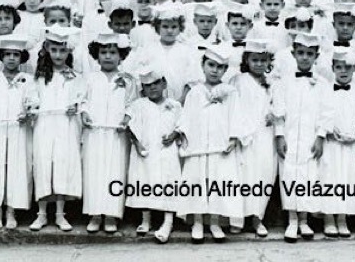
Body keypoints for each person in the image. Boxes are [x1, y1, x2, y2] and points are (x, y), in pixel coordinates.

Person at [175, 45, 243, 243]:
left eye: (220, 67)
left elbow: (236, 116)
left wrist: (233, 137)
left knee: (218, 182)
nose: (215, 70)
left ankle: (214, 222)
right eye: (211, 65)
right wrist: (185, 135)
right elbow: (186, 117)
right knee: (197, 181)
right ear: (203, 66)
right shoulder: (195, 92)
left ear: (225, 70)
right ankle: (197, 221)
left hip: (219, 146)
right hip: (198, 146)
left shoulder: (230, 92)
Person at [272, 32, 332, 242]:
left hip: (310, 138)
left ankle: (304, 220)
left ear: (316, 55)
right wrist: (279, 135)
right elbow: (278, 110)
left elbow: (327, 112)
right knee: (289, 175)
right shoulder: (284, 82)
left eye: (309, 54)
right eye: (301, 53)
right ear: (293, 54)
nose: (305, 57)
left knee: (308, 176)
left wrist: (321, 136)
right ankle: (292, 221)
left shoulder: (322, 83)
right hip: (289, 136)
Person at [80, 32, 137, 233]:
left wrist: (127, 118)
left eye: (113, 52)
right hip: (95, 133)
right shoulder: (91, 78)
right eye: (103, 52)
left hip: (117, 134)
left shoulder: (128, 80)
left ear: (121, 55)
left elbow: (132, 104)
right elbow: (83, 101)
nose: (108, 56)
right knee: (94, 171)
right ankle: (95, 213)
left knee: (115, 171)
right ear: (97, 55)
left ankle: (112, 214)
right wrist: (84, 113)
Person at [29, 25, 84, 232]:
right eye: (54, 50)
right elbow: (32, 97)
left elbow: (81, 98)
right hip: (44, 126)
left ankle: (60, 214)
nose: (58, 55)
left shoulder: (75, 77)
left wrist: (75, 107)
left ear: (69, 52)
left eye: (62, 50)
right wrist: (33, 106)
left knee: (62, 165)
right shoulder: (40, 76)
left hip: (65, 126)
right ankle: (41, 213)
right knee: (43, 164)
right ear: (47, 51)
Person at [0, 35, 36, 229]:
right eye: (7, 54)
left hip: (19, 130)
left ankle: (12, 211)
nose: (12, 58)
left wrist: (27, 112)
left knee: (17, 168)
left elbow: (33, 102)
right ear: (1, 57)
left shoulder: (28, 80)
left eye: (16, 55)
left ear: (22, 58)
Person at [319, 49, 355, 238]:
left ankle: (342, 219)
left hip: (351, 143)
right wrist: (331, 131)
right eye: (339, 67)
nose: (343, 71)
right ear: (333, 68)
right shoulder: (325, 89)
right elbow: (322, 113)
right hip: (331, 142)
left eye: (348, 67)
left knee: (346, 179)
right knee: (329, 178)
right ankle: (328, 219)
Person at [125, 67, 182, 243]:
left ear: (164, 83)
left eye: (156, 83)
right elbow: (129, 127)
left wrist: (173, 135)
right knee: (144, 179)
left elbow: (182, 125)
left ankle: (168, 221)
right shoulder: (138, 105)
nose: (153, 88)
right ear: (143, 88)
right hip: (146, 150)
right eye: (147, 85)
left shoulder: (175, 105)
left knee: (169, 181)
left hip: (167, 151)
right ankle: (146, 219)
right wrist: (137, 143)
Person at [230, 39, 278, 237]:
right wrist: (236, 133)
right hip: (245, 135)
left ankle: (258, 218)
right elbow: (233, 107)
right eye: (255, 60)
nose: (259, 64)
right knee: (242, 177)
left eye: (263, 60)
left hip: (265, 136)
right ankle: (237, 219)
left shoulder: (273, 82)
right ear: (247, 61)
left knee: (264, 175)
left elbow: (279, 104)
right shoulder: (238, 80)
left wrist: (274, 112)